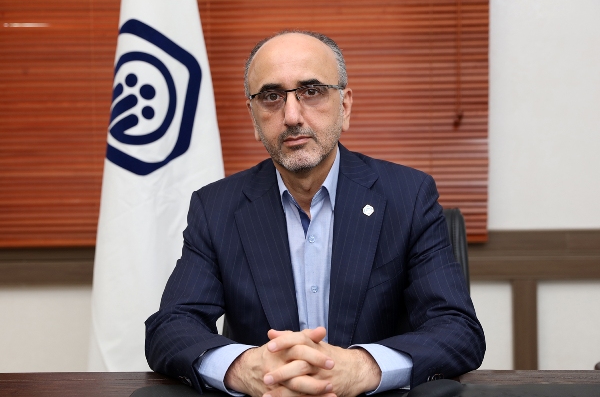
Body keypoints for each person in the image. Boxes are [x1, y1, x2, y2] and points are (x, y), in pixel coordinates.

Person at [145, 30, 485, 397]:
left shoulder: (408, 196)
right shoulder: (216, 208)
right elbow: (171, 327)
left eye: (311, 91)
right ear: (254, 117)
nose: (292, 116)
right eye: (271, 97)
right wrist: (244, 368)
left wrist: (362, 368)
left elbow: (457, 329)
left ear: (345, 106)